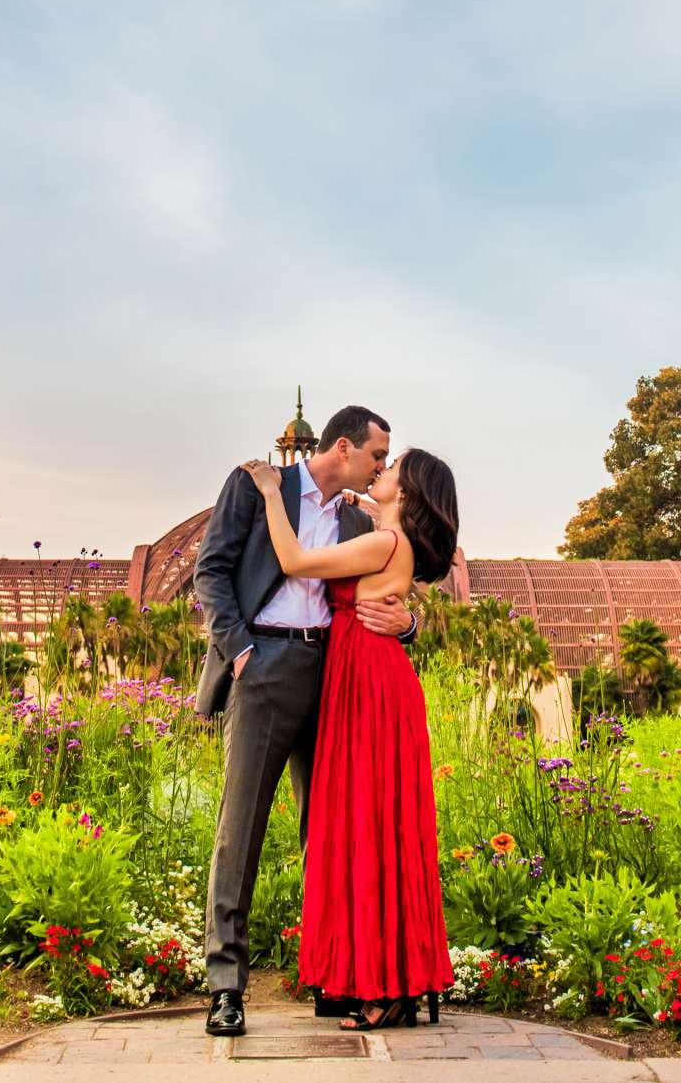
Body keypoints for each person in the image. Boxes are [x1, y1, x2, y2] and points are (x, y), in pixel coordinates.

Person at [194, 405, 417, 1037]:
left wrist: (410, 624)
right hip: (262, 666)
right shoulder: (255, 485)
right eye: (377, 455)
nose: (381, 466)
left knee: (332, 831)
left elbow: (395, 588)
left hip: (337, 675)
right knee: (241, 831)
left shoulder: (357, 517)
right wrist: (239, 651)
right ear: (343, 447)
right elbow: (209, 571)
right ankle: (226, 988)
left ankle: (331, 978)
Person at [237, 446, 457, 1032]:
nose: (381, 471)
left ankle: (387, 988)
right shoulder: (383, 533)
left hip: (369, 678)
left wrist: (267, 490)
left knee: (369, 823)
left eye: (393, 468)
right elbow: (363, 510)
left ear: (406, 493)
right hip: (366, 673)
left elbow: (294, 559)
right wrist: (354, 496)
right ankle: (391, 978)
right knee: (377, 825)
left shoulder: (384, 543)